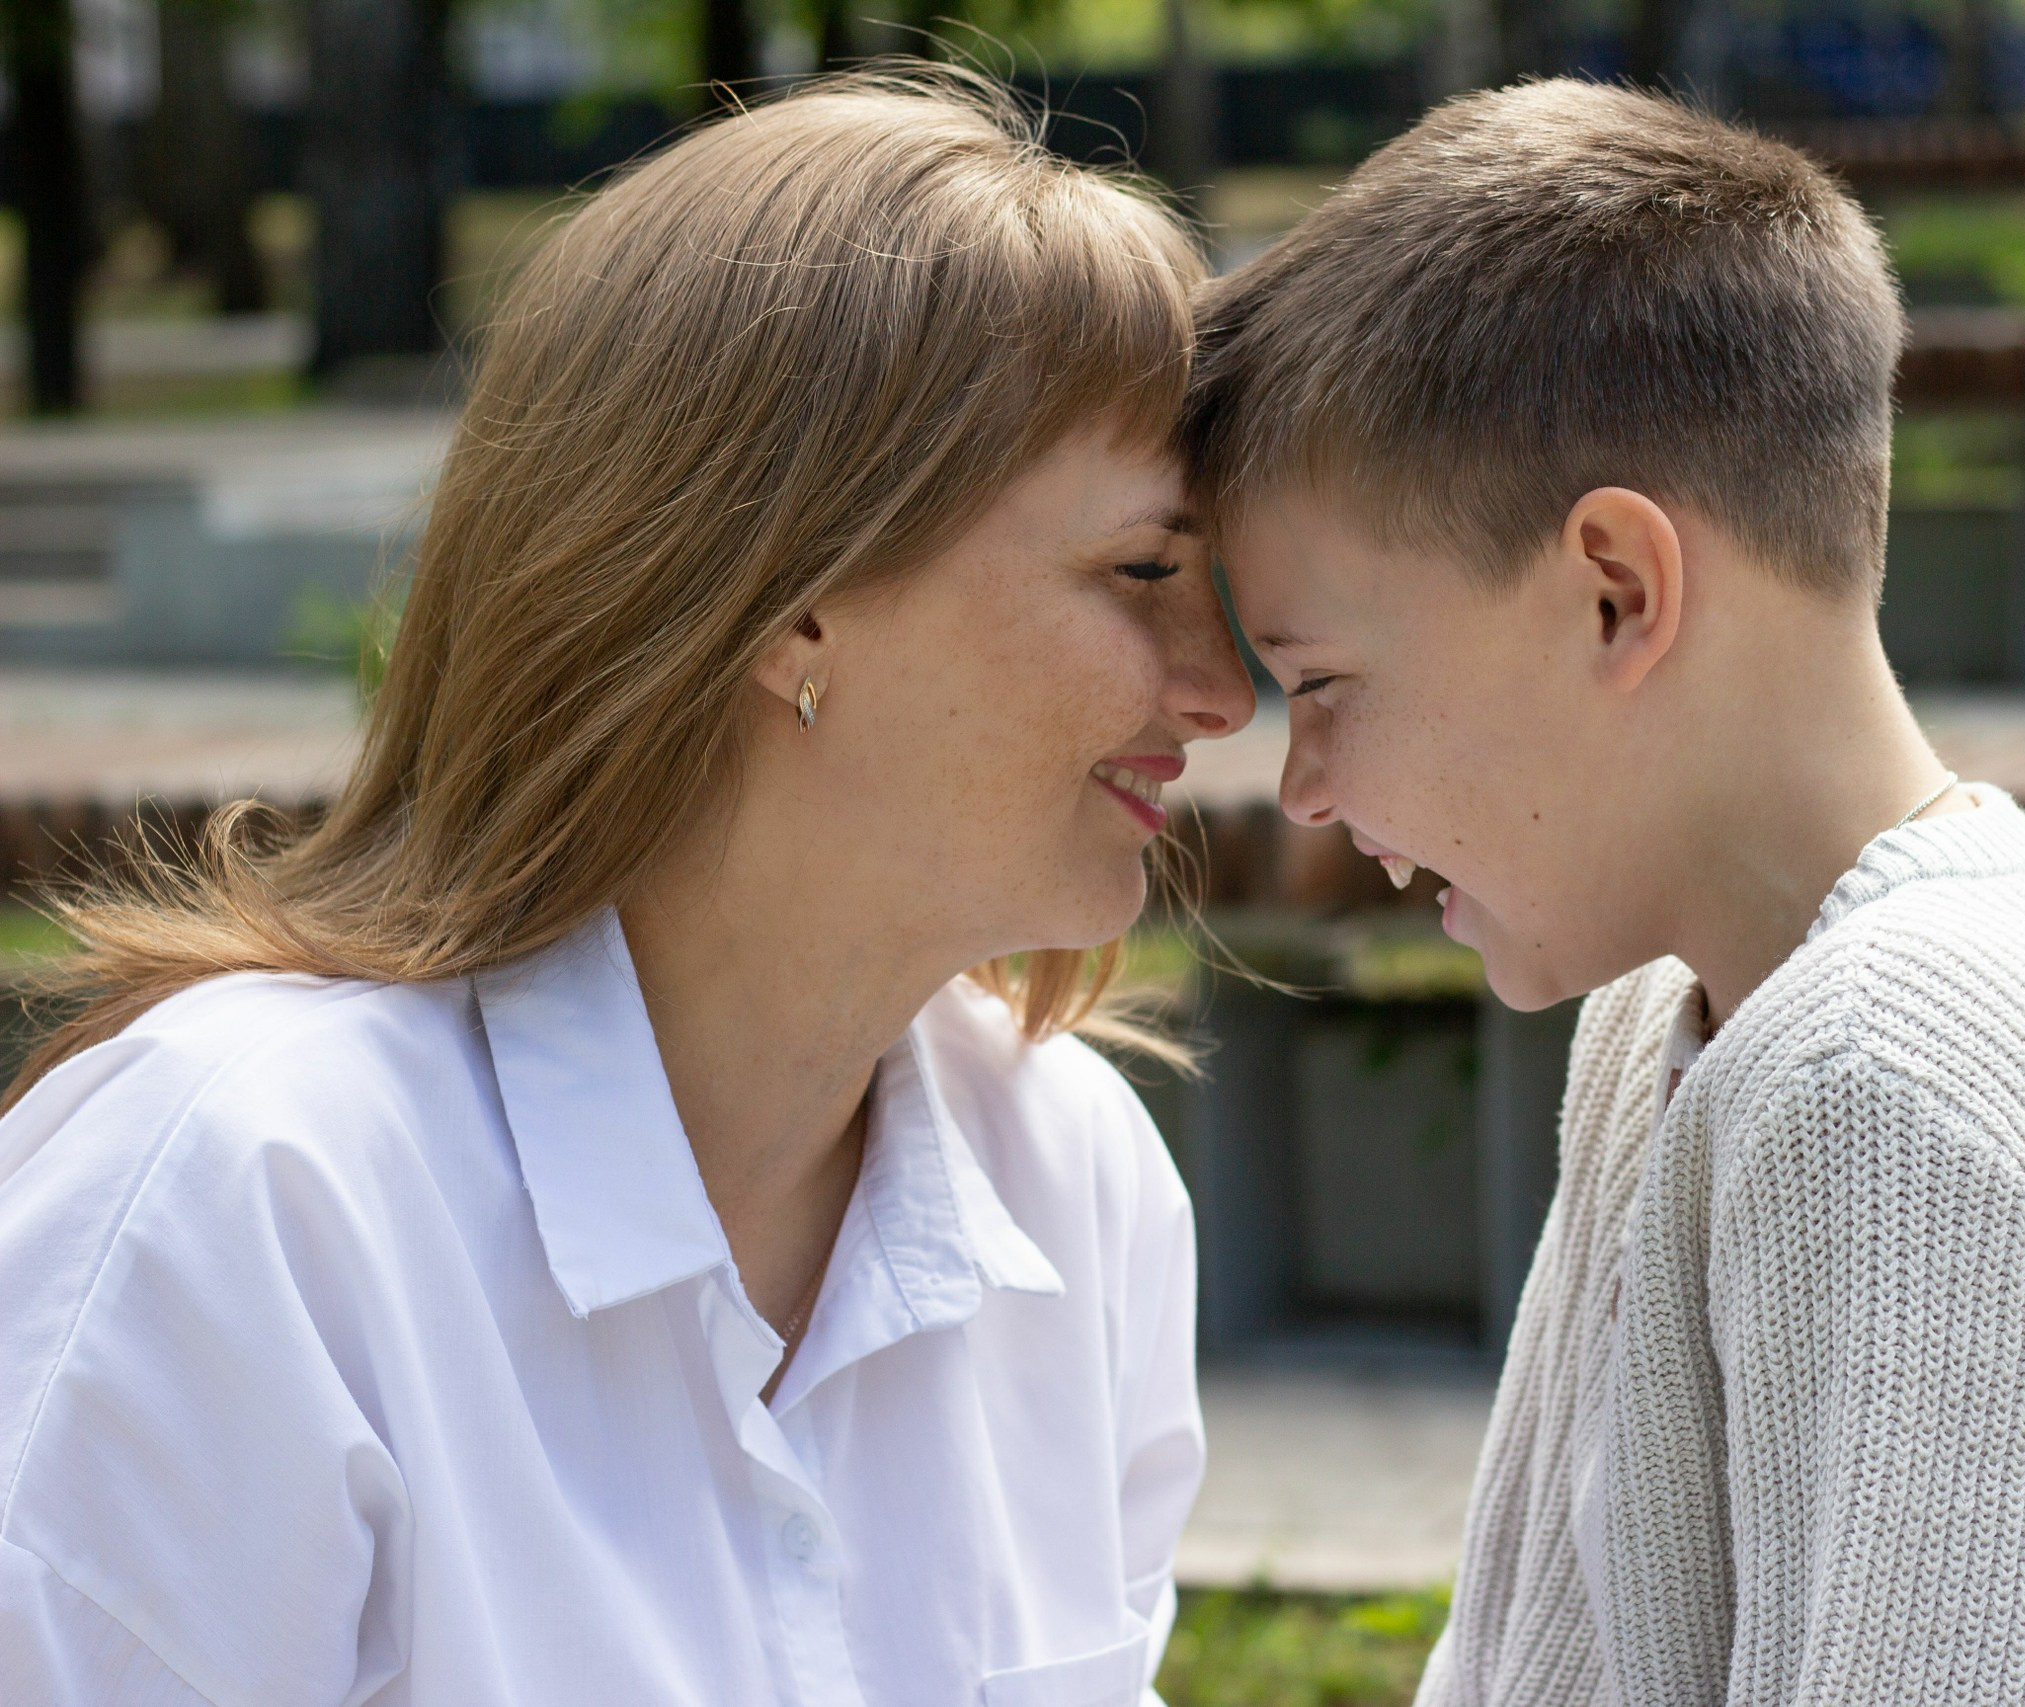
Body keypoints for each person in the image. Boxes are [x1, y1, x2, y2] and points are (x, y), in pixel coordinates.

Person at [0, 71, 1253, 1707]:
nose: (1220, 690)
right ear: (792, 598)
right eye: (1144, 573)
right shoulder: (249, 1198)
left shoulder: (1074, 1181)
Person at [1185, 79, 2025, 1707]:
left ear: (1614, 592)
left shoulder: (1900, 1093)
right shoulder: (1676, 1012)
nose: (1303, 786)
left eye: (1318, 683)